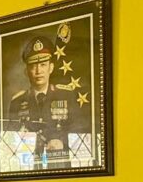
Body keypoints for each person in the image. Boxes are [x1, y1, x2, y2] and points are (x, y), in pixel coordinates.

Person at [5, 35, 88, 167]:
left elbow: (81, 130)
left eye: (43, 65)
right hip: (29, 166)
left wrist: (62, 142)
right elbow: (11, 139)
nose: (39, 71)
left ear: (51, 68)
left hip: (61, 164)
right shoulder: (17, 102)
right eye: (33, 66)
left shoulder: (66, 95)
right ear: (27, 72)